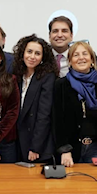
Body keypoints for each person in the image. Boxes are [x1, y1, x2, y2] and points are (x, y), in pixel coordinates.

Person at [53, 41, 97, 167]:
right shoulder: (61, 85)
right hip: (70, 151)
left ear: (92, 59)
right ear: (70, 61)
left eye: (85, 54)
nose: (81, 58)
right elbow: (57, 120)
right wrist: (64, 150)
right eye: (76, 55)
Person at [12, 34, 58, 163]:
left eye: (37, 53)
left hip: (37, 145)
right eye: (29, 52)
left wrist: (35, 147)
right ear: (22, 53)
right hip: (19, 141)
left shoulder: (47, 77)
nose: (32, 57)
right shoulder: (17, 75)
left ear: (43, 58)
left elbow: (44, 115)